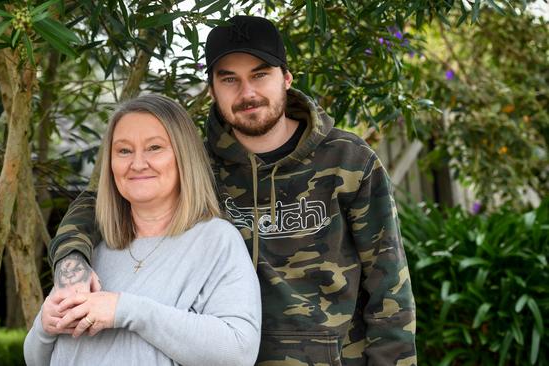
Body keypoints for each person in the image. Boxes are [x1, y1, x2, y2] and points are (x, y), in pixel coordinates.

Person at [43, 15, 417, 365]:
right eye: (229, 79)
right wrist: (70, 260)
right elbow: (104, 198)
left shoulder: (347, 160)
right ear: (212, 90)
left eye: (260, 75)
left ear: (286, 77)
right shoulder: (196, 164)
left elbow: (389, 287)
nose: (247, 92)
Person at [24, 94, 261, 366]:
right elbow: (35, 360)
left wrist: (125, 310)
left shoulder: (215, 240)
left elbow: (238, 352)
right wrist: (45, 325)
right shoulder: (89, 246)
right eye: (124, 150)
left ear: (184, 156)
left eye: (154, 147)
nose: (137, 164)